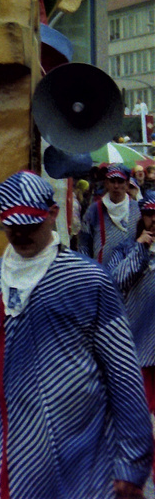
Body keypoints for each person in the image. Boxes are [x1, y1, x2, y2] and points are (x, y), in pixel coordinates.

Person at [0, 170, 152, 499]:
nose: (21, 234)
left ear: (52, 215)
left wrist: (132, 461)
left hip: (80, 464)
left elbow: (122, 372)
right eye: (13, 226)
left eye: (30, 225)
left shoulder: (88, 281)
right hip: (5, 460)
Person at [108, 194, 155, 481]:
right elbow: (115, 283)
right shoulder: (126, 249)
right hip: (136, 350)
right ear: (142, 217)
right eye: (150, 214)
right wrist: (139, 252)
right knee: (138, 416)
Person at [78, 165, 139, 264]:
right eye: (112, 181)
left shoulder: (137, 210)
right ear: (106, 183)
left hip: (130, 271)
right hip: (101, 273)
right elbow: (84, 244)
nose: (116, 186)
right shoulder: (94, 210)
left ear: (127, 184)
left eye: (120, 181)